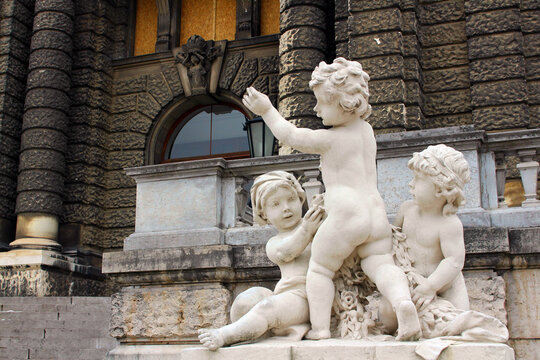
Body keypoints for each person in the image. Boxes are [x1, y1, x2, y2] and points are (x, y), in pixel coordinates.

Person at [242, 58, 421, 341]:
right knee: (381, 263)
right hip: (375, 210)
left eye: (320, 103)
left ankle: (321, 329)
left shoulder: (331, 139)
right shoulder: (366, 131)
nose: (315, 109)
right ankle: (402, 303)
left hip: (347, 211)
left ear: (342, 104)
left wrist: (266, 110)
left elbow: (290, 135)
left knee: (320, 269)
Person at [198, 171, 324, 350]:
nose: (286, 208)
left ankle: (224, 335)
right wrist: (306, 230)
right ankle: (250, 330)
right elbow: (286, 253)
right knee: (244, 301)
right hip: (284, 294)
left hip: (307, 298)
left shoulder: (315, 228)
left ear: (301, 200)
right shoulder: (275, 242)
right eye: (276, 204)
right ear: (264, 215)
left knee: (267, 307)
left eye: (291, 199)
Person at [395, 144, 471, 315]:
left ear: (440, 188)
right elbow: (393, 239)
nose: (411, 184)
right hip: (412, 284)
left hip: (445, 286)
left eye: (417, 178)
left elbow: (454, 261)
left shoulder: (449, 223)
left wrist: (430, 286)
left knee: (457, 318)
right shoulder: (407, 210)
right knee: (387, 314)